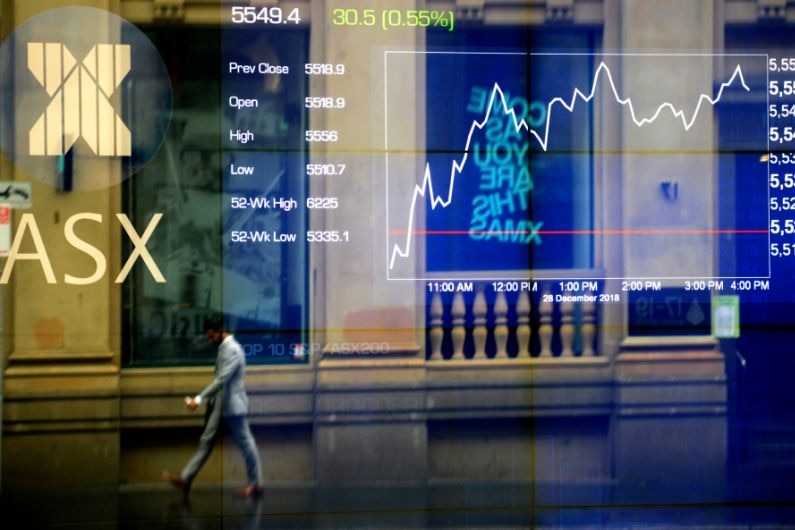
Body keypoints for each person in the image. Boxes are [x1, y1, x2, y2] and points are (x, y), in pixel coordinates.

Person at [163, 315, 264, 497]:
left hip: (232, 405)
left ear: (220, 331)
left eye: (211, 336)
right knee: (206, 442)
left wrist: (199, 400)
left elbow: (222, 380)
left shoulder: (232, 349)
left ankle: (256, 484)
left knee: (246, 443)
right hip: (220, 405)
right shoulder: (224, 347)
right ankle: (186, 479)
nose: (209, 340)